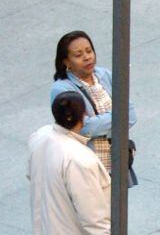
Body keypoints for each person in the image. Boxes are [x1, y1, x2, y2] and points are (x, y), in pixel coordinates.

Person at [50, 30, 138, 185]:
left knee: (116, 207)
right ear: (66, 62)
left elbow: (131, 115)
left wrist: (102, 123)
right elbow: (84, 127)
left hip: (115, 162)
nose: (87, 57)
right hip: (89, 167)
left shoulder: (106, 75)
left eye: (89, 51)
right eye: (78, 55)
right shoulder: (62, 89)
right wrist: (118, 117)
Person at [28, 91, 111, 234]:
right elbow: (94, 219)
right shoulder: (80, 159)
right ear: (84, 116)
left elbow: (32, 176)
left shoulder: (39, 137)